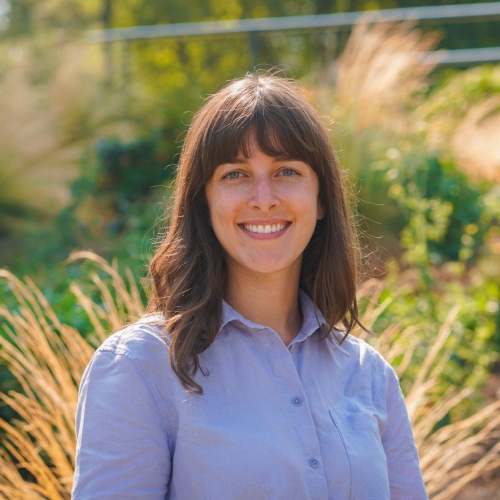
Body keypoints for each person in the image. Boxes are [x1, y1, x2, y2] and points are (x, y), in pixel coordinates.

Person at [72, 73, 428, 500]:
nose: (264, 197)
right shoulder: (137, 368)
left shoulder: (370, 376)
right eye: (235, 174)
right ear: (203, 201)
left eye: (287, 171)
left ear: (320, 201)